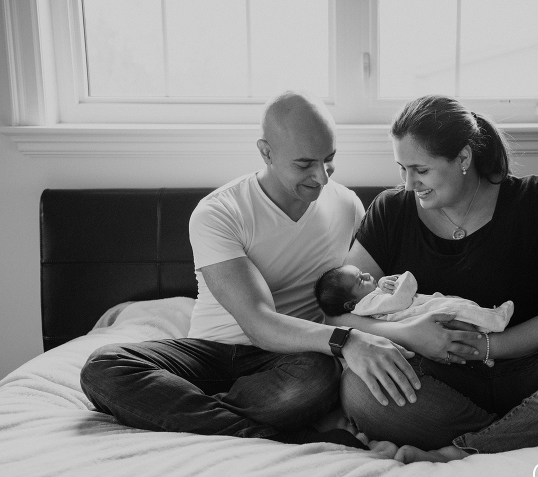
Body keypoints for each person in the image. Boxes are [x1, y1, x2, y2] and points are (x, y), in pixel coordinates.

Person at [79, 91, 435, 449]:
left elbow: (358, 296)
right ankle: (273, 434)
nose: (321, 178)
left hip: (294, 361)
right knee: (104, 367)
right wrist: (347, 341)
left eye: (329, 160)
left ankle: (190, 413)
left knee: (319, 376)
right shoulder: (219, 213)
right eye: (304, 164)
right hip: (213, 354)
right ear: (266, 152)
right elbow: (259, 322)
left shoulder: (347, 205)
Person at [331, 94, 538, 463]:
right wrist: (410, 335)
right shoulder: (391, 211)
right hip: (441, 380)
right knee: (360, 387)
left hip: (535, 368)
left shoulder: (532, 200)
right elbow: (338, 313)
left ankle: (471, 446)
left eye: (421, 170)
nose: (409, 184)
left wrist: (487, 347)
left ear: (463, 158)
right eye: (402, 169)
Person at [314, 266, 514, 359]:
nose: (367, 275)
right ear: (350, 305)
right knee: (457, 309)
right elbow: (400, 299)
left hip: (424, 315)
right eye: (360, 280)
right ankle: (495, 320)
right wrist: (403, 279)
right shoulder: (366, 305)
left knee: (461, 308)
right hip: (423, 316)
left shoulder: (367, 301)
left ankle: (486, 324)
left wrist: (383, 284)